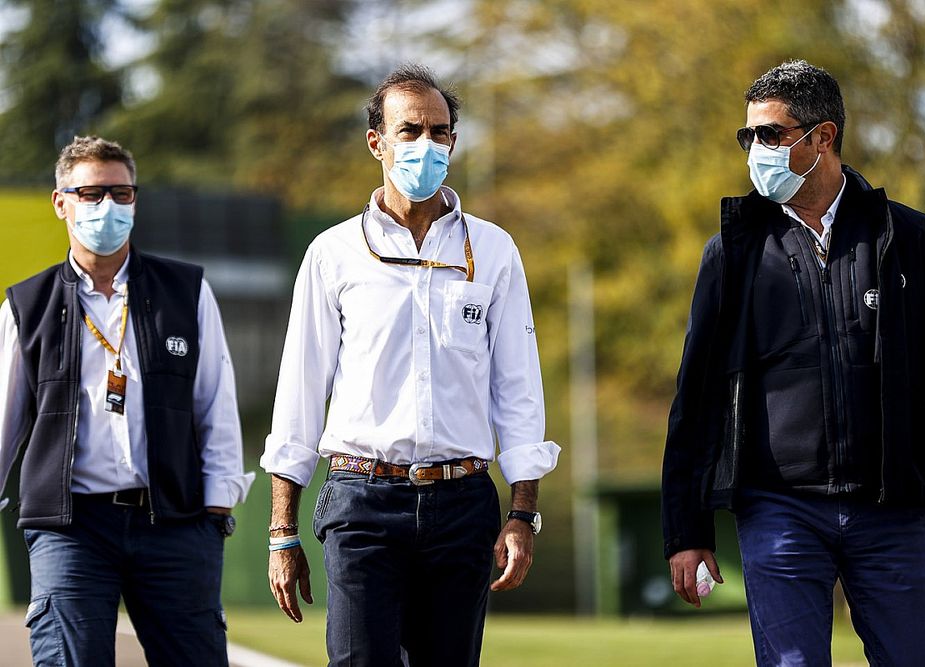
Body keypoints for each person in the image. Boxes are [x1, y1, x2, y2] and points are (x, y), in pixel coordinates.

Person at [660, 60, 925, 666]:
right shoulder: (732, 254)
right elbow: (697, 399)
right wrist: (686, 532)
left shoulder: (909, 237)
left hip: (893, 510)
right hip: (778, 512)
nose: (754, 150)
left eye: (770, 135)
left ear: (823, 138)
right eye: (748, 136)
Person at [261, 64, 560, 667]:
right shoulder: (334, 252)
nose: (427, 144)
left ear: (453, 140)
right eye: (410, 130)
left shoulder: (494, 250)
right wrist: (282, 531)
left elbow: (520, 389)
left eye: (440, 131)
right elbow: (299, 392)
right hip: (360, 500)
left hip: (464, 500)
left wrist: (522, 512)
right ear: (377, 142)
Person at [0, 136, 254, 666]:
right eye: (91, 193)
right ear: (60, 202)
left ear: (135, 200)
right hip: (71, 527)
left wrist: (217, 505)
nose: (107, 207)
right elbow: (4, 422)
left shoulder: (185, 291)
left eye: (121, 193)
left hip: (174, 523)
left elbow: (215, 404)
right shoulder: (28, 304)